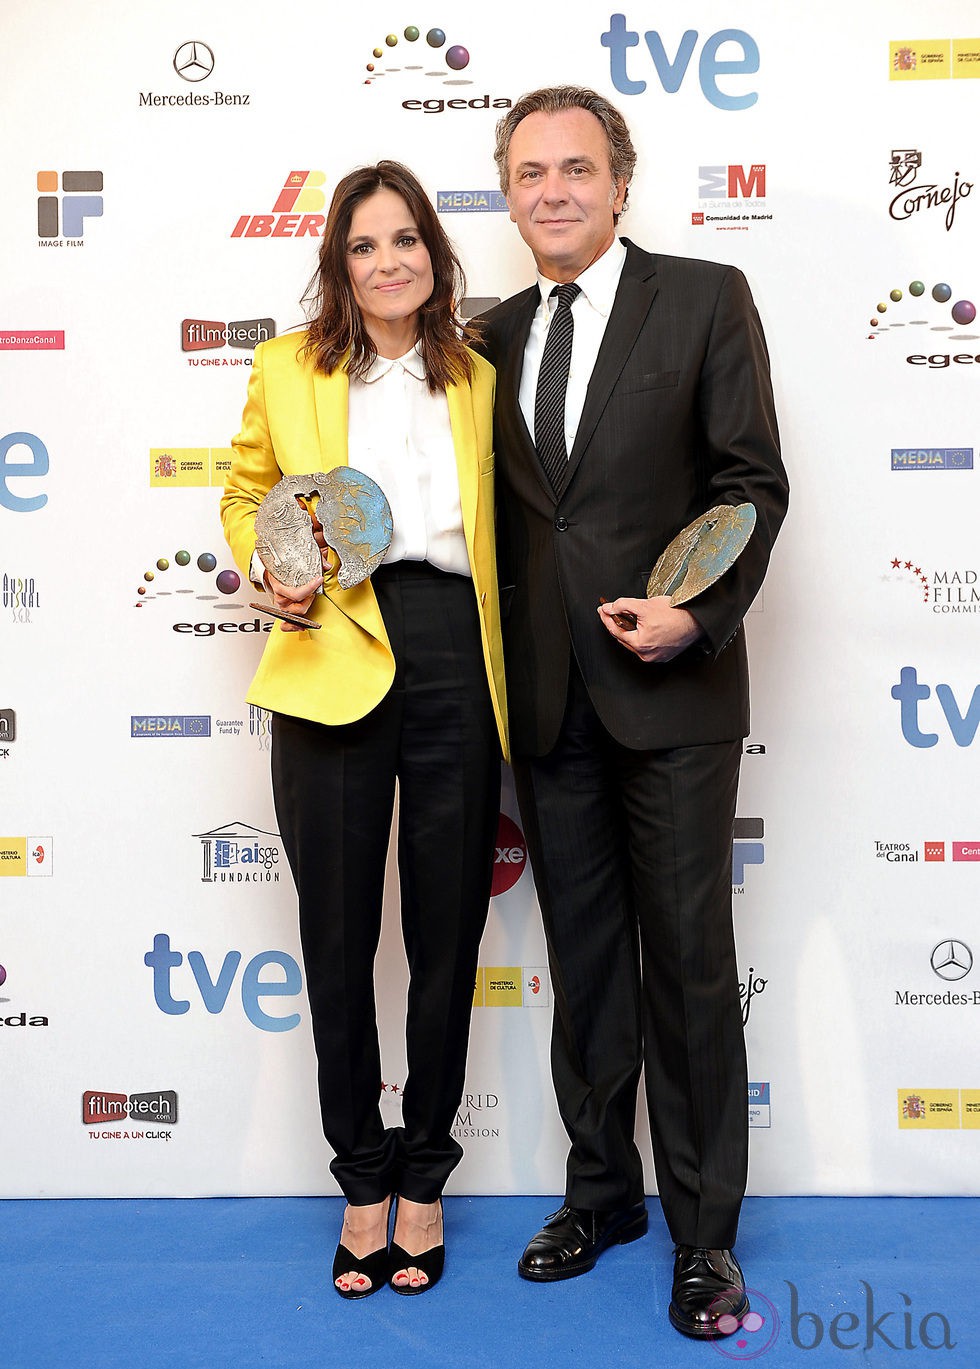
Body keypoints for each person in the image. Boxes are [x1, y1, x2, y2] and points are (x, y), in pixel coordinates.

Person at [478, 87, 788, 1337]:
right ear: (508, 194)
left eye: (574, 168)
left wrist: (696, 617)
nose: (550, 190)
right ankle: (600, 1191)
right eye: (526, 173)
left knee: (688, 971)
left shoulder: (704, 297)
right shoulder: (485, 336)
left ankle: (703, 1233)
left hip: (671, 692)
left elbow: (749, 486)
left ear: (619, 182)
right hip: (545, 703)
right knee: (586, 966)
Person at [221, 161, 508, 1299]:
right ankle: (359, 1182)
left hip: (452, 648)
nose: (388, 261)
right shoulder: (283, 368)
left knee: (445, 935)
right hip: (331, 642)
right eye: (363, 245)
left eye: (406, 241)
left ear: (434, 255)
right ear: (337, 264)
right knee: (338, 937)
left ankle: (425, 1177)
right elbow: (248, 495)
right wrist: (269, 566)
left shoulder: (482, 374)